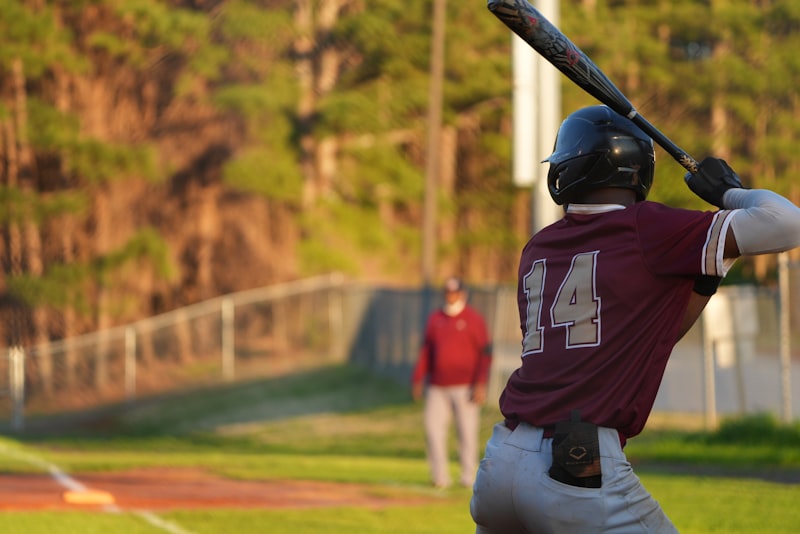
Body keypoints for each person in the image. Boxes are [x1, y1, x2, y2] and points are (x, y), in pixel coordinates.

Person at [470, 105, 800, 532]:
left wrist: (704, 280)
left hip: (503, 457)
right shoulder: (646, 226)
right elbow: (787, 223)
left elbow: (653, 335)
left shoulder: (539, 246)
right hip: (578, 457)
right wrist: (729, 195)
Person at [411, 276, 493, 489]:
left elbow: (485, 353)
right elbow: (426, 350)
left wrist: (481, 382)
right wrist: (418, 377)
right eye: (447, 293)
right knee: (433, 430)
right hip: (437, 386)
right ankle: (440, 477)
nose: (450, 297)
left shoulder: (473, 319)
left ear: (462, 294)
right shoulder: (436, 319)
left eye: (454, 293)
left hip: (465, 386)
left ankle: (469, 477)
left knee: (466, 432)